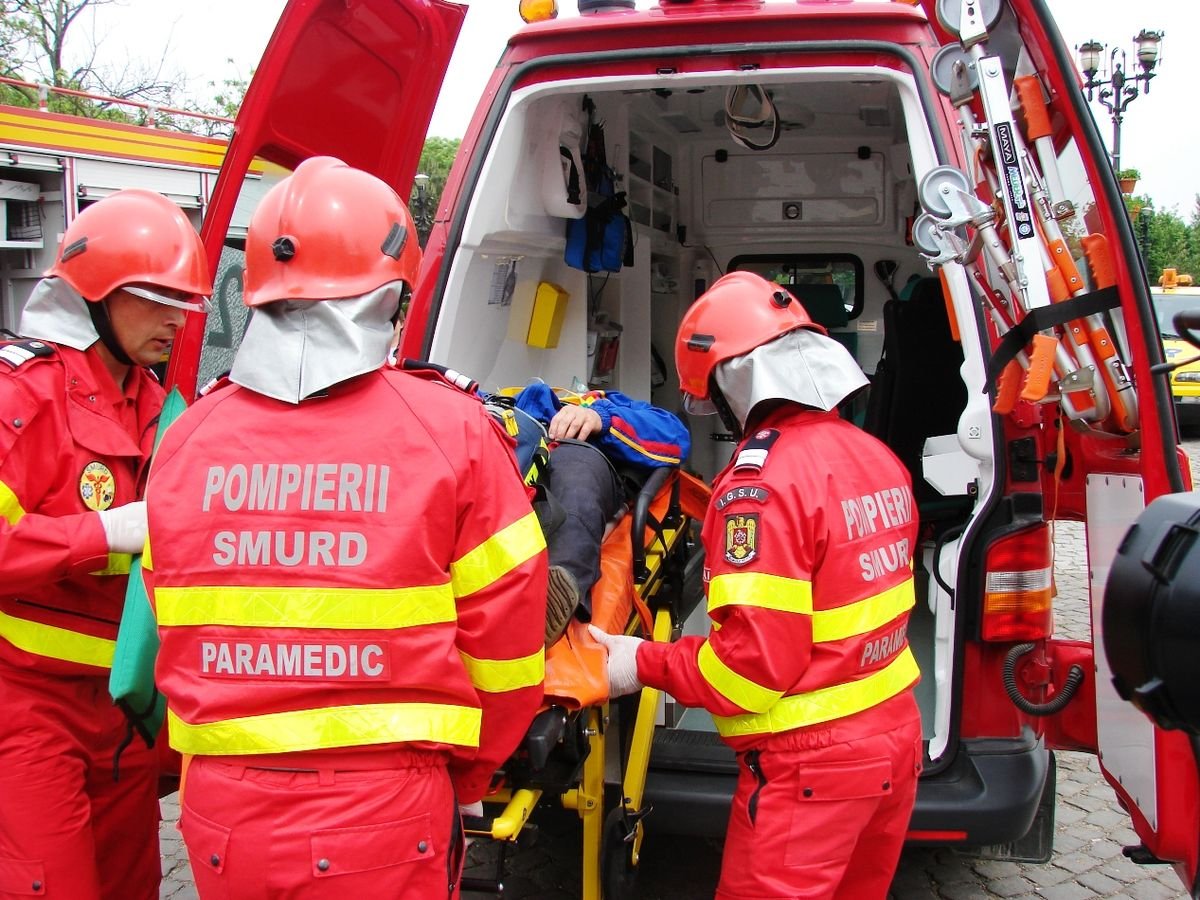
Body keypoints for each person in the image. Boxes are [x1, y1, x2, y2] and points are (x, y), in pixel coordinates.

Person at [143, 157, 548, 899]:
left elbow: (169, 613)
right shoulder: (448, 428)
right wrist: (474, 767)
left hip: (223, 813)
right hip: (383, 811)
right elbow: (510, 636)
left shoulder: (188, 435)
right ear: (391, 288)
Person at [590, 270, 923, 899]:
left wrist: (641, 663)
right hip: (893, 741)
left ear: (726, 385)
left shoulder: (758, 489)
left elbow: (750, 671)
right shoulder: (873, 456)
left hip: (811, 768)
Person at [0, 189, 211, 900]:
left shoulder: (161, 408)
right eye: (153, 297)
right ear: (94, 296)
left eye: (181, 301)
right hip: (27, 710)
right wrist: (101, 533)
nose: (173, 319)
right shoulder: (19, 396)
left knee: (131, 886)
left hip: (124, 710)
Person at [508, 380, 690, 644]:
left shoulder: (608, 404)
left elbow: (675, 436)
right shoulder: (506, 398)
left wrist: (600, 418)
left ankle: (555, 593)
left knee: (575, 484)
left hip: (577, 454)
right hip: (514, 444)